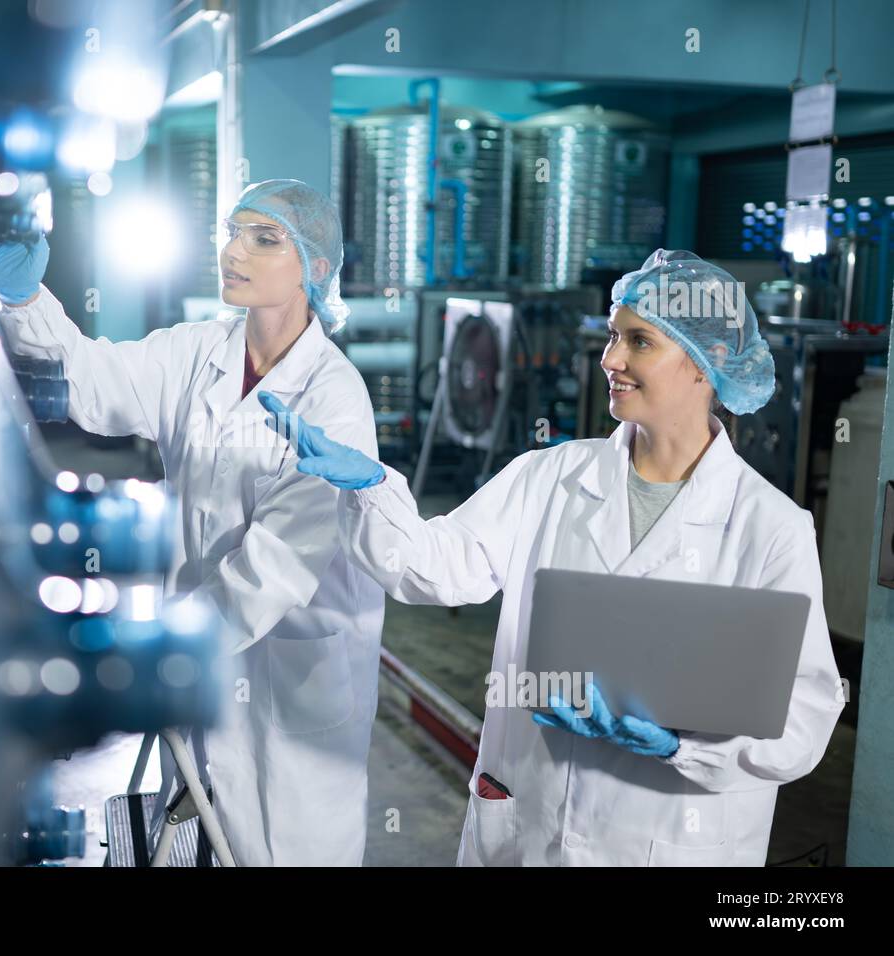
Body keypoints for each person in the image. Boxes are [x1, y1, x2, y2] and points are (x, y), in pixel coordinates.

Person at [260, 249, 844, 866]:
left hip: (669, 841)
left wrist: (680, 746)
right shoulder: (551, 476)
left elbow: (802, 716)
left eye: (639, 342)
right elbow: (439, 567)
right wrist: (372, 489)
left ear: (711, 363)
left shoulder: (771, 527)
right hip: (528, 829)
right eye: (614, 336)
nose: (610, 359)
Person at [0, 180, 385, 866]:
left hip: (291, 698)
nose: (234, 252)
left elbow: (277, 567)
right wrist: (22, 296)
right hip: (208, 680)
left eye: (264, 239)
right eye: (231, 233)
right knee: (196, 841)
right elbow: (91, 379)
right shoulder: (198, 353)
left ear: (316, 269)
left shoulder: (335, 398)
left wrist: (161, 652)